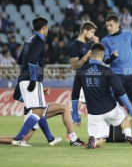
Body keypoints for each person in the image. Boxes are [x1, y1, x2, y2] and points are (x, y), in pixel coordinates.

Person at [71, 43, 132, 149]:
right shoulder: (107, 71)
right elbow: (120, 92)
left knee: (99, 141)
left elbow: (75, 94)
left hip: (93, 113)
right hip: (111, 109)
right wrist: (131, 110)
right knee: (124, 119)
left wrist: (75, 114)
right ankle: (128, 136)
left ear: (91, 54)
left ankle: (94, 141)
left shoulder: (81, 71)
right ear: (102, 55)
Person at [12, 17, 61, 147]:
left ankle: (50, 139)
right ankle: (18, 138)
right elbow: (33, 60)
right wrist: (32, 78)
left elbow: (20, 60)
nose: (48, 30)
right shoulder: (39, 41)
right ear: (44, 27)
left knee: (40, 109)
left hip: (24, 78)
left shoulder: (28, 40)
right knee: (38, 110)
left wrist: (24, 73)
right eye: (48, 27)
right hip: (32, 79)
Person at [101, 14, 132, 142]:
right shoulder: (105, 40)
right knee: (118, 106)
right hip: (116, 75)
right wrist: (112, 57)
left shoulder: (129, 35)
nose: (109, 28)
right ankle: (118, 135)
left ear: (118, 24)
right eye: (107, 26)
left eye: (111, 25)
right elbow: (106, 60)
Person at [1, 86, 85, 146]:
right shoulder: (29, 75)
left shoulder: (30, 75)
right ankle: (71, 138)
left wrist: (41, 92)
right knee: (65, 108)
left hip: (36, 108)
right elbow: (17, 95)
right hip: (34, 109)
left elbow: (30, 93)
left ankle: (58, 138)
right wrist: (31, 100)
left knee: (22, 140)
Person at [68, 21, 99, 120]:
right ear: (85, 31)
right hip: (81, 79)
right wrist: (86, 56)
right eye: (92, 32)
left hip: (91, 78)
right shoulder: (75, 45)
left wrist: (97, 44)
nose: (93, 35)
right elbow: (74, 66)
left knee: (94, 108)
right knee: (76, 108)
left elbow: (98, 59)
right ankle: (70, 133)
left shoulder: (88, 45)